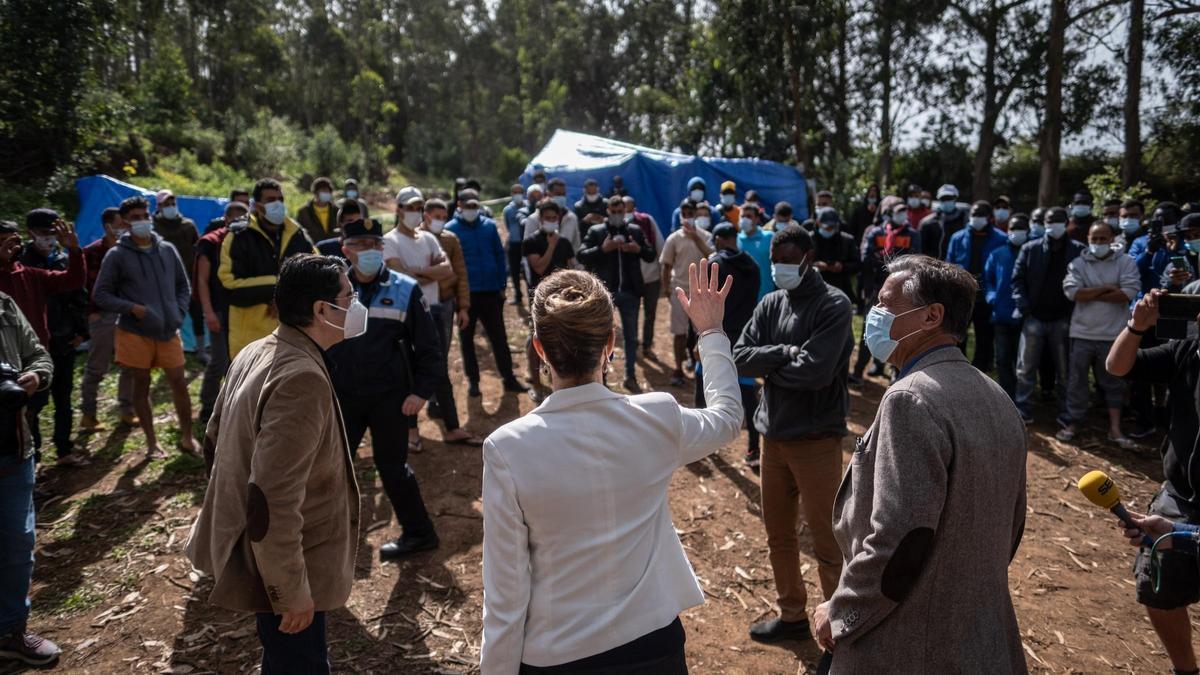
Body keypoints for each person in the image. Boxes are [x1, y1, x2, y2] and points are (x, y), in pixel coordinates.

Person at [480, 264, 742, 674]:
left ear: (540, 349)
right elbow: (727, 418)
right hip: (654, 645)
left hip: (559, 655)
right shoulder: (657, 416)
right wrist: (710, 332)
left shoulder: (508, 448)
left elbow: (505, 593)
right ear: (610, 343)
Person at [814, 254, 1026, 672]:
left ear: (931, 316)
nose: (873, 315)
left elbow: (899, 541)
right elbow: (1013, 523)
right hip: (978, 635)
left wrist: (842, 613)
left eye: (885, 305)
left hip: (905, 642)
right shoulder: (997, 395)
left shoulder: (910, 399)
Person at [186, 254, 362, 674]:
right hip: (288, 561)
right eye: (349, 297)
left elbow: (213, 441)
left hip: (268, 554)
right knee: (299, 663)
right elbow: (273, 499)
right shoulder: (302, 379)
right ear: (322, 310)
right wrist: (290, 590)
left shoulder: (256, 350)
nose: (356, 306)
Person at [733, 226, 854, 644]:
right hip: (773, 438)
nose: (780, 266)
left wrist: (770, 365)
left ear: (807, 257)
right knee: (779, 535)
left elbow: (816, 372)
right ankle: (792, 617)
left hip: (816, 440)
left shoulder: (834, 305)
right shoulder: (770, 303)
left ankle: (838, 633)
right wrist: (784, 354)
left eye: (788, 259)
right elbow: (739, 357)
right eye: (775, 259)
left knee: (827, 542)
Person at [328, 216, 445, 558]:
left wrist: (420, 392)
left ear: (383, 247)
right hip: (342, 397)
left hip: (389, 399)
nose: (368, 251)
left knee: (392, 468)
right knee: (332, 468)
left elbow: (429, 348)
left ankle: (420, 533)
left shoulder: (405, 289)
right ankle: (330, 538)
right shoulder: (330, 290)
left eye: (374, 244)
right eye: (360, 245)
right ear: (345, 250)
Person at [1106, 288, 1200, 674]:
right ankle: (1186, 670)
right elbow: (1117, 366)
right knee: (1158, 589)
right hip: (1180, 497)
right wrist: (1136, 325)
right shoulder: (1186, 353)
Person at [92, 196, 197, 460]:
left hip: (168, 329)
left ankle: (187, 437)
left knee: (179, 383)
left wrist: (179, 311)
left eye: (144, 216)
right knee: (142, 385)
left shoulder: (167, 249)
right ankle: (152, 443)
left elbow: (183, 286)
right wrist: (132, 308)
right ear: (125, 222)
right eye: (135, 218)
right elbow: (101, 294)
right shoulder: (116, 255)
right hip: (135, 331)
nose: (141, 222)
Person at [0, 291, 58, 667]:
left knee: (18, 546)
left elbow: (39, 353)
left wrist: (35, 375)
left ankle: (10, 631)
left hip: (13, 447)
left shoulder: (3, 304)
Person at [1056, 222, 1140, 447]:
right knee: (1076, 381)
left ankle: (1115, 428)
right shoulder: (1078, 264)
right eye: (1095, 239)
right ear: (1088, 240)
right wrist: (1108, 288)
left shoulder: (1126, 262)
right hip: (1082, 332)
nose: (1099, 243)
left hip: (1114, 334)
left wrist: (1091, 292)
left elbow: (1128, 293)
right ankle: (1073, 422)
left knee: (1114, 382)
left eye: (1103, 239)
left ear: (1112, 239)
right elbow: (1073, 292)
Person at [19, 210, 88, 465]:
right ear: (30, 233)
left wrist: (81, 331)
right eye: (45, 233)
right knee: (33, 404)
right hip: (33, 347)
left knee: (64, 399)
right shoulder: (21, 264)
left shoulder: (63, 259)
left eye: (53, 234)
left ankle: (64, 449)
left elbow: (78, 293)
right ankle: (33, 457)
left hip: (65, 341)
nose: (49, 239)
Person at [220, 178, 317, 358]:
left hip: (292, 339)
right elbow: (230, 286)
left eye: (280, 199)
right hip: (249, 342)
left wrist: (284, 299)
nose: (278, 204)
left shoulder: (298, 235)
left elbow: (316, 276)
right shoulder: (238, 237)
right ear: (257, 206)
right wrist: (278, 288)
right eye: (271, 200)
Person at [447, 189, 528, 398]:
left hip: (492, 292)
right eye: (468, 206)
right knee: (467, 340)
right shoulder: (451, 231)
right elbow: (451, 266)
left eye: (475, 205)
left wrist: (502, 285)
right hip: (467, 295)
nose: (472, 210)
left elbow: (499, 256)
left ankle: (508, 377)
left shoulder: (489, 226)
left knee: (499, 337)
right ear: (459, 206)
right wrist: (457, 297)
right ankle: (474, 381)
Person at [696, 222, 761, 468]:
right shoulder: (753, 266)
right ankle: (754, 448)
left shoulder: (714, 265)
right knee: (747, 392)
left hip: (716, 335)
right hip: (744, 337)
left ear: (719, 240)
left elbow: (703, 306)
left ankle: (701, 443)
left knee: (702, 385)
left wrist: (699, 338)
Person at [1011, 206, 1083, 424]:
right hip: (1034, 317)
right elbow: (1017, 280)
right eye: (1049, 221)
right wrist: (1024, 307)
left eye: (1058, 221)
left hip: (1062, 319)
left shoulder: (1079, 250)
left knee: (1064, 370)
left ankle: (1065, 412)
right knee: (1025, 368)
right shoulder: (1030, 249)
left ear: (1067, 222)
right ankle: (1022, 410)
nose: (1053, 225)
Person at [578, 196, 657, 392]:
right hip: (604, 294)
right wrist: (603, 249)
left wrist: (637, 249)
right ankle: (601, 379)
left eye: (620, 211)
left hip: (630, 292)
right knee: (601, 336)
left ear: (625, 211)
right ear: (607, 211)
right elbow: (582, 255)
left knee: (631, 338)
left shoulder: (634, 231)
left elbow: (650, 254)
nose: (616, 215)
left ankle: (630, 376)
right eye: (613, 212)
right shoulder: (597, 232)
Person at [419, 198, 475, 435]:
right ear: (425, 215)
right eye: (436, 215)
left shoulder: (451, 240)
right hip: (420, 305)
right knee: (423, 353)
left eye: (444, 216)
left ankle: (436, 401)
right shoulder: (414, 240)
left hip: (444, 305)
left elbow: (460, 273)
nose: (440, 220)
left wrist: (463, 307)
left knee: (441, 353)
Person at [79, 208, 135, 432]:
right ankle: (88, 414)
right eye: (120, 224)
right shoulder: (92, 252)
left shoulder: (131, 250)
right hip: (102, 316)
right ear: (107, 226)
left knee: (129, 365)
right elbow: (84, 286)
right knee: (97, 368)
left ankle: (127, 410)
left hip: (128, 315)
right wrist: (91, 313)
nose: (125, 228)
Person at [853, 200, 921, 383]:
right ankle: (861, 369)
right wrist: (893, 262)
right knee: (870, 327)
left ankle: (895, 371)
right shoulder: (876, 232)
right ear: (889, 214)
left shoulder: (912, 234)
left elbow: (915, 261)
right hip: (875, 289)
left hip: (903, 293)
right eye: (899, 211)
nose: (903, 215)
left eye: (905, 211)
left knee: (899, 328)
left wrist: (883, 259)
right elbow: (866, 259)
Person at [195, 201, 246, 424]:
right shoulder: (211, 242)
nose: (239, 224)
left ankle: (235, 404)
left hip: (242, 311)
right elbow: (202, 281)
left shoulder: (248, 241)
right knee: (219, 359)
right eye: (234, 220)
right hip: (218, 309)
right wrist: (208, 312)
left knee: (240, 360)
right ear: (225, 220)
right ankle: (207, 407)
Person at [522, 199, 576, 401]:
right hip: (540, 297)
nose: (551, 222)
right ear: (540, 219)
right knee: (536, 340)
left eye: (555, 218)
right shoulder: (531, 242)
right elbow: (539, 267)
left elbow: (571, 267)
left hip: (563, 298)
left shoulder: (565, 242)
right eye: (547, 218)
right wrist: (551, 247)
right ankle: (536, 384)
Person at [946, 201, 1007, 372]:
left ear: (989, 217)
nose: (976, 218)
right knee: (958, 336)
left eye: (980, 215)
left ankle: (980, 372)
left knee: (985, 338)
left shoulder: (1001, 239)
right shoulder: (958, 238)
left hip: (987, 297)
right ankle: (957, 370)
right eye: (974, 214)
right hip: (962, 296)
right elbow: (949, 265)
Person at [660, 200, 714, 387]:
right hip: (680, 291)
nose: (687, 215)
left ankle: (703, 370)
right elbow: (666, 265)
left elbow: (714, 258)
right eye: (684, 212)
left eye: (691, 212)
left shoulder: (706, 237)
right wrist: (666, 288)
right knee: (679, 333)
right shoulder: (673, 238)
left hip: (702, 293)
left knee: (703, 334)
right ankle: (678, 369)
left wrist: (696, 238)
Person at [984, 213, 1031, 400]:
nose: (1016, 232)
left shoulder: (1031, 253)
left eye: (1021, 228)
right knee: (1002, 358)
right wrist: (991, 296)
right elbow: (988, 280)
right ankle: (1006, 395)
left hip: (1025, 315)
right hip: (1000, 313)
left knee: (1022, 360)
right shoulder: (997, 254)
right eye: (1013, 228)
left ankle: (1021, 396)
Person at [153, 190, 204, 357]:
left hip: (189, 278)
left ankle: (201, 349)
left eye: (173, 203)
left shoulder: (188, 225)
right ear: (159, 206)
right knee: (168, 315)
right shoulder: (153, 226)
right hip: (164, 279)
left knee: (197, 313)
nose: (170, 207)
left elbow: (198, 249)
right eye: (166, 204)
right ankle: (167, 350)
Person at [625, 195, 665, 355]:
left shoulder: (647, 221)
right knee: (631, 314)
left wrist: (663, 271)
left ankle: (647, 344)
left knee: (650, 313)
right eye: (623, 208)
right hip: (630, 278)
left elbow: (660, 245)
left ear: (634, 208)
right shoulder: (617, 226)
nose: (626, 211)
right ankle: (633, 343)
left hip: (651, 276)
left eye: (629, 207)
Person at [812, 208, 861, 301]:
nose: (829, 230)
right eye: (827, 227)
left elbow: (857, 264)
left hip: (841, 289)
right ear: (818, 223)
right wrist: (814, 266)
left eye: (832, 227)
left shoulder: (847, 240)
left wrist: (842, 267)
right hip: (814, 288)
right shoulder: (809, 239)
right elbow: (798, 263)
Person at [525, 178, 581, 251]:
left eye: (563, 194)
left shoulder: (572, 218)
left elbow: (576, 244)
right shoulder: (534, 219)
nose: (561, 197)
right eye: (558, 194)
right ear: (548, 194)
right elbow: (527, 247)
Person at [921, 184, 967, 260]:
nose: (946, 201)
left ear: (955, 198)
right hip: (934, 266)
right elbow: (922, 250)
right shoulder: (928, 223)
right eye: (943, 199)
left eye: (949, 198)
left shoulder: (964, 220)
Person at [738, 204, 775, 300]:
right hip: (743, 299)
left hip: (766, 296)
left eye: (749, 216)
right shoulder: (736, 239)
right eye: (742, 216)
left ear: (757, 219)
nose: (745, 219)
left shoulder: (769, 237)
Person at [501, 183, 527, 305]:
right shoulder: (507, 210)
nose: (518, 195)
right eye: (515, 192)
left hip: (526, 243)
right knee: (514, 270)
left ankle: (531, 295)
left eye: (519, 192)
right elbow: (507, 225)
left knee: (528, 271)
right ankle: (518, 295)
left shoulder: (528, 207)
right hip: (513, 243)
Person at [296, 177, 338, 246]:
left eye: (328, 191)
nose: (326, 193)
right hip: (313, 250)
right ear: (315, 192)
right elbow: (299, 233)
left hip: (333, 249)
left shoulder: (337, 211)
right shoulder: (304, 212)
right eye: (323, 190)